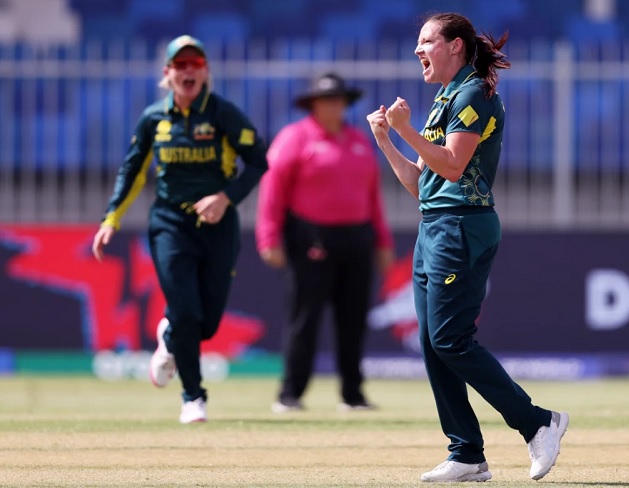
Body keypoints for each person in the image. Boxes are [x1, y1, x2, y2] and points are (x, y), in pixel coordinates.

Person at [366, 13, 568, 482]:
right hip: (434, 226)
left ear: (455, 46)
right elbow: (422, 184)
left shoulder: (474, 92)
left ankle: (539, 422)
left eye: (426, 41)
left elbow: (454, 167)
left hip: (462, 227)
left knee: (451, 340)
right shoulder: (443, 99)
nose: (418, 50)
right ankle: (467, 454)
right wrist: (386, 141)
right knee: (433, 344)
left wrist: (405, 130)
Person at [91, 35, 268, 424]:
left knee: (206, 324)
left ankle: (169, 337)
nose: (188, 71)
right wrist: (110, 219)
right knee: (187, 311)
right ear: (167, 74)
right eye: (180, 65)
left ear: (205, 72)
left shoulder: (223, 113)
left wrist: (225, 198)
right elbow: (132, 170)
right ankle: (193, 397)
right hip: (170, 223)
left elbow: (258, 161)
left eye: (195, 64)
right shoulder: (154, 118)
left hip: (218, 226)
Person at [256, 72, 394, 413]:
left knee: (353, 319)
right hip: (310, 238)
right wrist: (269, 237)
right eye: (327, 99)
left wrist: (382, 239)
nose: (335, 105)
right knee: (305, 318)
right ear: (313, 104)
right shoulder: (294, 138)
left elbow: (372, 195)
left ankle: (353, 394)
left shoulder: (359, 140)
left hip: (357, 238)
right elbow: (272, 191)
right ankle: (291, 393)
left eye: (339, 99)